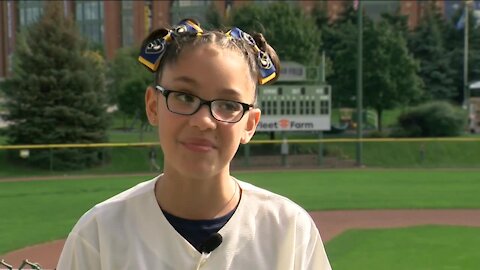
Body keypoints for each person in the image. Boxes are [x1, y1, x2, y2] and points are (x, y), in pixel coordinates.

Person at [57, 19, 331, 270]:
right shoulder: (99, 234)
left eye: (227, 104)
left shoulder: (290, 230)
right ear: (153, 106)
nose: (203, 121)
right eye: (185, 97)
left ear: (250, 124)